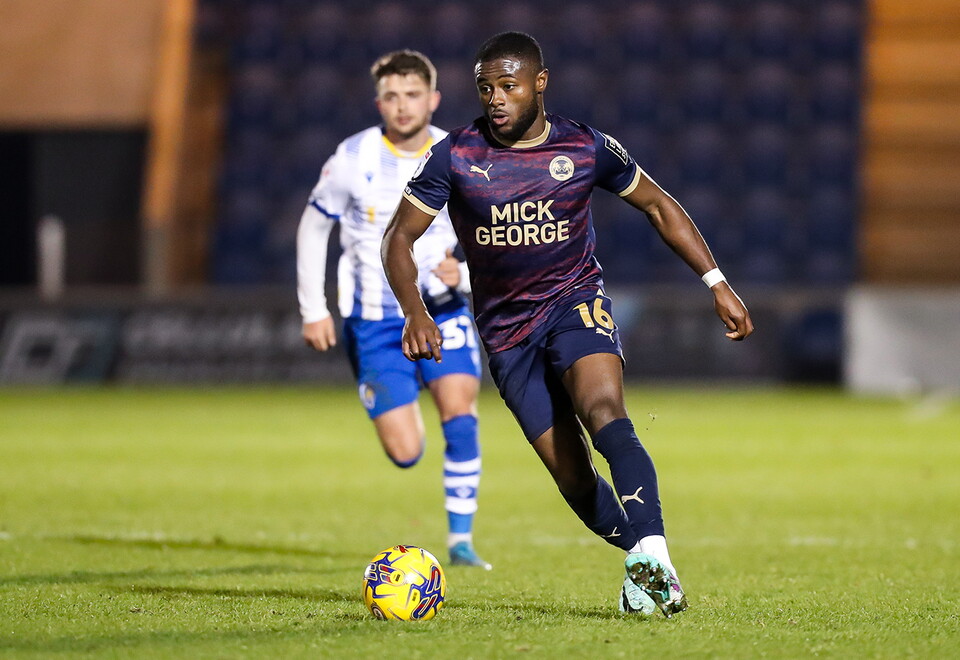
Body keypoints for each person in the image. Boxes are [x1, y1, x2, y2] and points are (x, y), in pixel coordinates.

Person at [382, 32, 754, 615]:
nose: (496, 98)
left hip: (574, 302)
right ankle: (646, 562)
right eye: (486, 88)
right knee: (575, 482)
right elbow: (398, 238)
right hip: (507, 335)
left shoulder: (584, 147)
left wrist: (717, 283)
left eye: (509, 85)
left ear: (539, 83)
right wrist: (415, 310)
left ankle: (653, 552)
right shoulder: (456, 155)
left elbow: (659, 205)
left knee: (604, 412)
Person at [297, 50, 490, 569]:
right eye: (392, 96)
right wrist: (314, 308)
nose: (402, 106)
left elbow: (493, 233)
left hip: (443, 310)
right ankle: (398, 397)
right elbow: (314, 227)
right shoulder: (351, 158)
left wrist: (466, 274)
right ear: (378, 101)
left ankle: (461, 542)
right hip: (376, 320)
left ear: (433, 99)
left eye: (412, 95)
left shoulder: (462, 155)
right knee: (405, 453)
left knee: (461, 414)